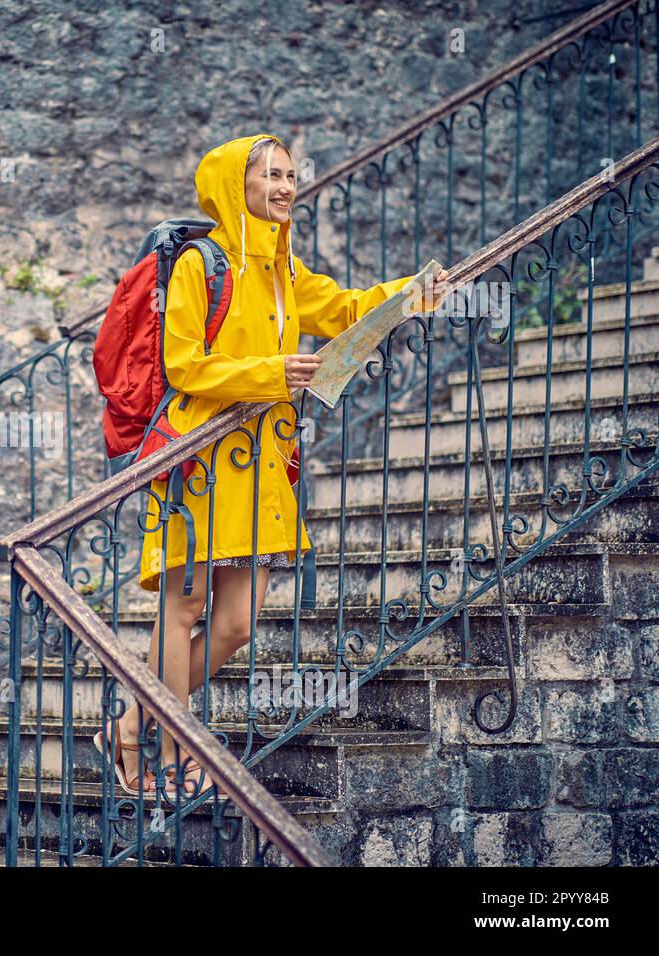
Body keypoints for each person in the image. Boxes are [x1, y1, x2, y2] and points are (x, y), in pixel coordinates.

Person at [96, 132, 449, 801]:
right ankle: (174, 753)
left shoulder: (284, 269)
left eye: (291, 176)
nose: (287, 187)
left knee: (236, 623)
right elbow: (182, 364)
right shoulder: (202, 264)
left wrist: (411, 292)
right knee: (186, 608)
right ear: (238, 185)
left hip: (261, 464)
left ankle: (129, 721)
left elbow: (345, 307)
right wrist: (270, 372)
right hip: (197, 457)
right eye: (272, 175)